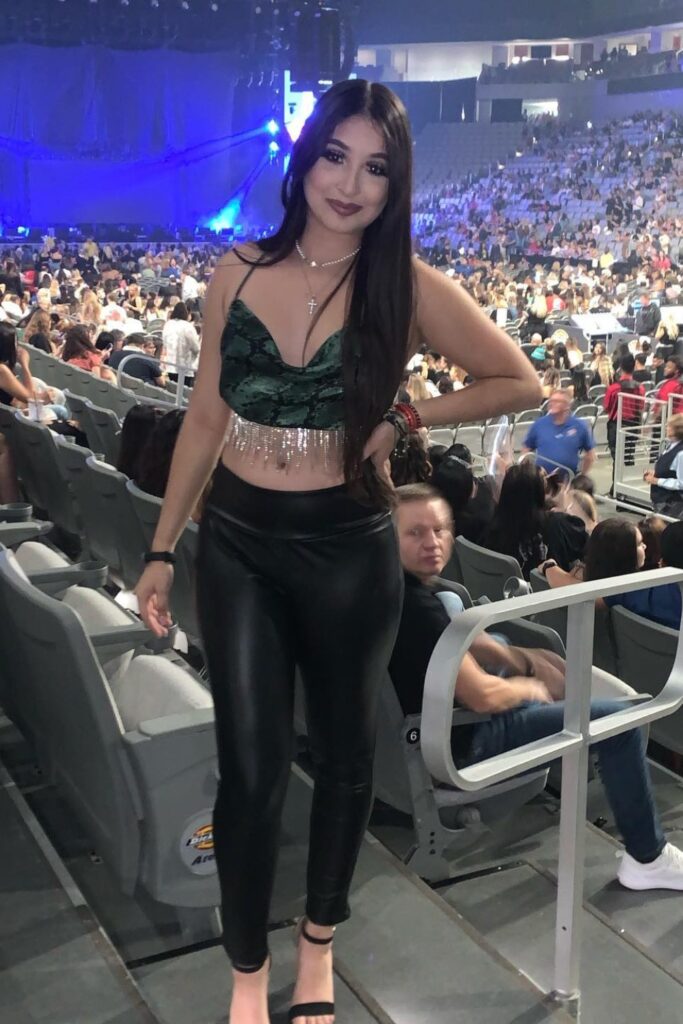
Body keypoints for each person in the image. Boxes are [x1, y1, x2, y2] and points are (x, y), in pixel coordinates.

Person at [132, 79, 540, 1024]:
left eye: (376, 168)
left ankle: (317, 948)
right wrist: (161, 547)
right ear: (305, 156)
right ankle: (244, 970)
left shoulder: (406, 286)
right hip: (237, 542)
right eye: (335, 156)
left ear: (395, 184)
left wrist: (406, 412)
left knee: (350, 757)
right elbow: (203, 417)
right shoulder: (233, 270)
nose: (350, 184)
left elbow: (513, 378)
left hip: (348, 549)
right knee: (252, 766)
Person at [390, 484, 683, 892]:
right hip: (462, 743)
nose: (433, 543)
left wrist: (525, 660)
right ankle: (648, 858)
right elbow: (484, 697)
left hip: (424, 727)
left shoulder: (391, 588)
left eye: (440, 530)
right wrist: (532, 688)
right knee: (622, 723)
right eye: (416, 533)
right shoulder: (418, 613)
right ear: (389, 535)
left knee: (509, 646)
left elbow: (463, 638)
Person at [485, 461, 587, 578]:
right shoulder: (559, 524)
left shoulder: (494, 528)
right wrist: (564, 508)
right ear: (539, 495)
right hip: (552, 592)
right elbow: (591, 547)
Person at [522, 388, 596, 475]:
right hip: (543, 480)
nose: (553, 404)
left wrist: (583, 475)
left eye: (558, 401)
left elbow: (590, 455)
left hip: (569, 480)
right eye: (551, 401)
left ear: (567, 405)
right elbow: (526, 450)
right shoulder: (539, 424)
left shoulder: (579, 426)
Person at [604, 353, 645, 472]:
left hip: (616, 425)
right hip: (633, 425)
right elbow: (641, 407)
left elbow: (607, 407)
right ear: (634, 367)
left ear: (620, 368)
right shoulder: (640, 388)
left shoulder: (613, 388)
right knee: (629, 456)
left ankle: (616, 488)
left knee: (617, 458)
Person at [644, 413, 683, 518]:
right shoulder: (670, 445)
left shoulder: (681, 453)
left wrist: (657, 481)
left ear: (677, 430)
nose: (666, 428)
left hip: (671, 503)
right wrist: (656, 474)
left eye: (669, 426)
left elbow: (681, 483)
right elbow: (670, 470)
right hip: (660, 499)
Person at [161, 300, 200, 381]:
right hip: (185, 365)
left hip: (170, 364)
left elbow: (164, 343)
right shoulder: (188, 326)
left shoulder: (168, 324)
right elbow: (195, 348)